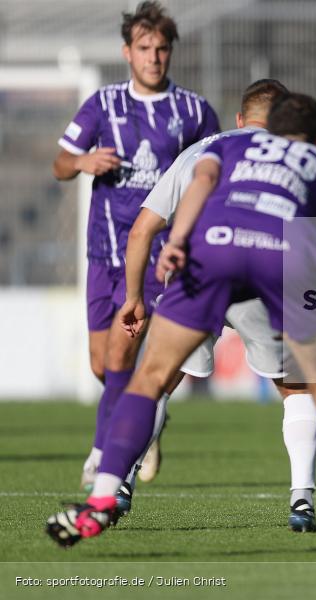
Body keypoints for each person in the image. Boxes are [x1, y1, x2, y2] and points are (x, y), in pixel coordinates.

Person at [46, 93, 316, 561]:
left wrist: (177, 241)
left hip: (213, 247)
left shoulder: (224, 146)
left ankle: (102, 498)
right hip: (282, 258)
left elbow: (202, 180)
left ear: (252, 123)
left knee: (152, 377)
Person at [52, 1, 220, 494]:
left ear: (170, 53)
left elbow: (214, 171)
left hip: (162, 257)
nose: (154, 57)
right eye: (144, 48)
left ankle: (104, 456)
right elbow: (59, 163)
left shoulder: (192, 110)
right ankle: (147, 425)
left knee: (125, 359)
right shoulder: (102, 105)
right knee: (103, 365)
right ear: (127, 52)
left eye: (162, 49)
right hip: (106, 252)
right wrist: (82, 163)